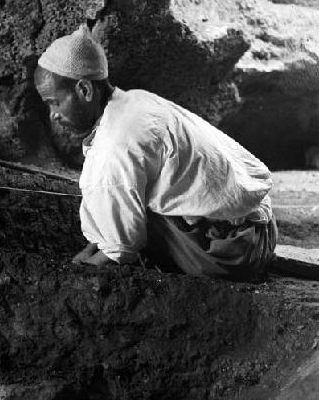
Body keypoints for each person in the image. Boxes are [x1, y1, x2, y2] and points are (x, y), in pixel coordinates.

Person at [34, 25, 277, 281]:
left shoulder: (115, 143)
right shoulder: (135, 100)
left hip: (236, 253)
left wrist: (79, 271)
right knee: (125, 199)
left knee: (130, 211)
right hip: (260, 229)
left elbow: (121, 249)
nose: (53, 115)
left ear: (84, 90)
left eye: (54, 102)